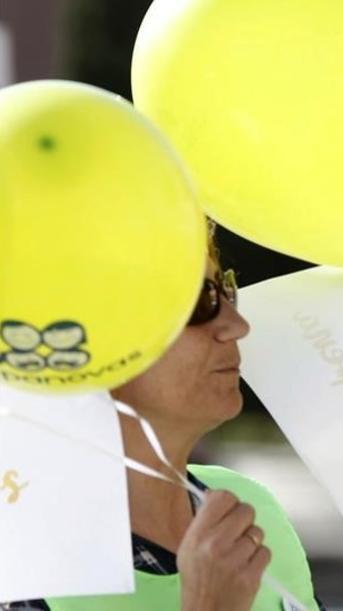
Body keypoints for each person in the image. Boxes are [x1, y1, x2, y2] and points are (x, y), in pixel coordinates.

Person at [2, 225, 322, 611]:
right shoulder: (22, 560)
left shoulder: (251, 510)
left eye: (226, 291)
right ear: (96, 347)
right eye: (197, 303)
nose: (237, 326)